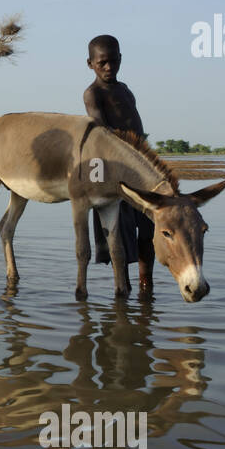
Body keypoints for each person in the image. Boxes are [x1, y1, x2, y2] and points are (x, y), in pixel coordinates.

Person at [82, 33, 154, 297]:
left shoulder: (125, 90)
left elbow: (137, 127)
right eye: (102, 63)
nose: (109, 67)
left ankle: (147, 286)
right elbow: (104, 132)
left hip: (140, 168)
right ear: (90, 64)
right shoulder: (92, 94)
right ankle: (123, 288)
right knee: (118, 234)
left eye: (113, 61)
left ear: (120, 59)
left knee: (148, 230)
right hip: (114, 169)